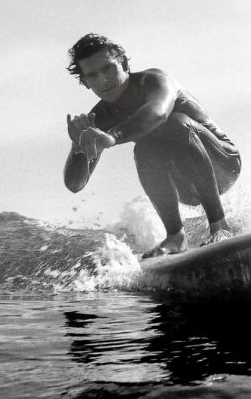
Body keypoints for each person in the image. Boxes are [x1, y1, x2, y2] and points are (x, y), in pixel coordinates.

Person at [63, 33, 241, 258]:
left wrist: (113, 137)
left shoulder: (155, 81)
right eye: (92, 75)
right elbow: (75, 184)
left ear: (125, 64)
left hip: (223, 163)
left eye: (108, 68)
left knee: (173, 124)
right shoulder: (98, 118)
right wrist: (79, 146)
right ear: (86, 83)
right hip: (184, 188)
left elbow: (157, 114)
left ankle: (220, 226)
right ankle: (176, 237)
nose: (102, 80)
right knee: (144, 147)